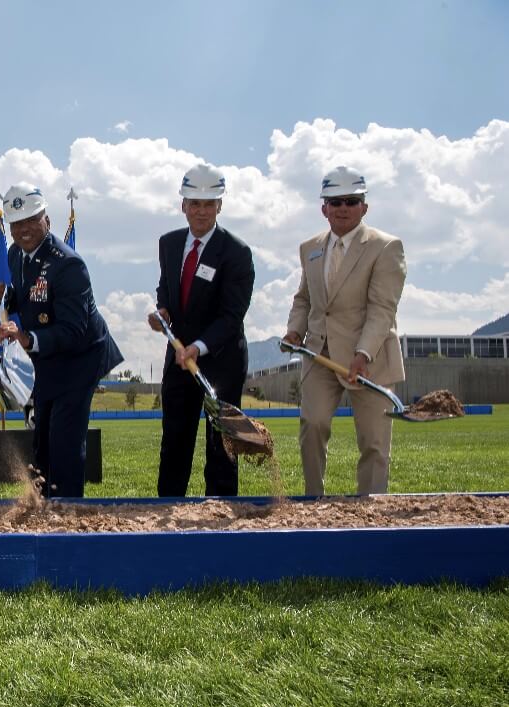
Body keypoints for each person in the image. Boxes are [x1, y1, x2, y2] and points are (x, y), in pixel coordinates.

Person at [0, 183, 122, 498]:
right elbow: (29, 298)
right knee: (42, 437)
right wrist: (6, 297)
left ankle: (67, 511)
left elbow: (74, 330)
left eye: (31, 220)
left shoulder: (69, 265)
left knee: (64, 438)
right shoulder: (16, 255)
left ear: (46, 219)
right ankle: (44, 503)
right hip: (48, 359)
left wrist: (26, 338)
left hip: (80, 359)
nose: (24, 229)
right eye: (16, 223)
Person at [282, 166, 406, 495]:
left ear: (364, 206)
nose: (342, 209)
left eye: (351, 201)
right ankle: (313, 502)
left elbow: (382, 308)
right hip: (320, 354)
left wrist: (363, 353)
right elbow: (305, 298)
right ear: (324, 208)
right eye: (335, 202)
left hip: (371, 358)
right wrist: (295, 332)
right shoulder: (310, 247)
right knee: (313, 424)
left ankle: (370, 506)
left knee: (374, 440)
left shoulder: (386, 247)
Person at [147, 164, 256, 497]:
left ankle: (221, 515)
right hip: (179, 359)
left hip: (220, 360)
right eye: (195, 203)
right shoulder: (169, 243)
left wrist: (198, 346)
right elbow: (167, 288)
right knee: (175, 441)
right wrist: (162, 313)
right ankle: (167, 507)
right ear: (184, 205)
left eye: (209, 204)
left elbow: (232, 315)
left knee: (220, 446)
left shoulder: (237, 252)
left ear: (220, 206)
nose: (202, 211)